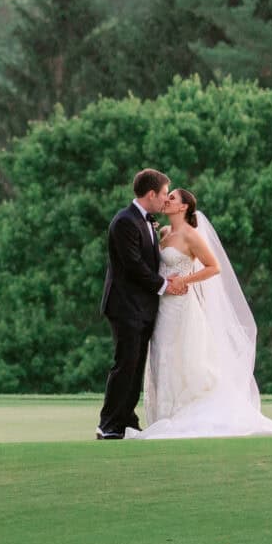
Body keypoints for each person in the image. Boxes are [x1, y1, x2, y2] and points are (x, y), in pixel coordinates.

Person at [126, 186, 272, 440]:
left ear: (184, 207)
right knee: (160, 353)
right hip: (162, 304)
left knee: (177, 353)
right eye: (166, 198)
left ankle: (178, 413)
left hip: (180, 304)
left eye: (172, 199)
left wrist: (186, 280)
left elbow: (214, 267)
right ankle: (162, 415)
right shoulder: (165, 232)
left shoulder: (191, 236)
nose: (166, 201)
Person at [96, 167, 189, 438]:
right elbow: (133, 265)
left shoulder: (146, 222)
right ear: (151, 194)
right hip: (125, 307)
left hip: (143, 308)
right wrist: (164, 285)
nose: (165, 200)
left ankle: (126, 420)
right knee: (125, 364)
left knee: (136, 368)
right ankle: (108, 424)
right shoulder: (125, 221)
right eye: (162, 194)